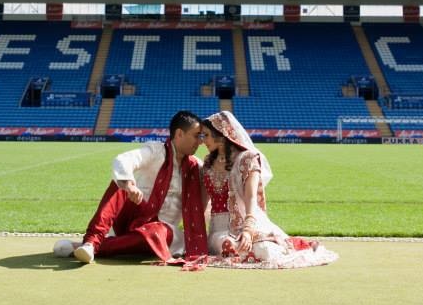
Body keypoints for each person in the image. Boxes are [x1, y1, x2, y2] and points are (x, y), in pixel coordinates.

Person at [54, 110, 208, 264]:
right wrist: (128, 184)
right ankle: (91, 240)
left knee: (156, 232)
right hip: (133, 217)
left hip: (162, 230)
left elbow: (210, 196)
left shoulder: (197, 167)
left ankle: (87, 247)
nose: (200, 142)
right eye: (196, 136)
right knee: (119, 183)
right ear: (179, 134)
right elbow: (123, 160)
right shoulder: (156, 151)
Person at [200, 111, 338, 269]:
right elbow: (204, 203)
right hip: (219, 229)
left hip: (247, 221)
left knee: (265, 251)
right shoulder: (208, 164)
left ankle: (284, 243)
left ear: (221, 134)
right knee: (227, 245)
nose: (202, 141)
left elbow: (251, 198)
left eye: (206, 135)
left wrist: (248, 229)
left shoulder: (247, 159)